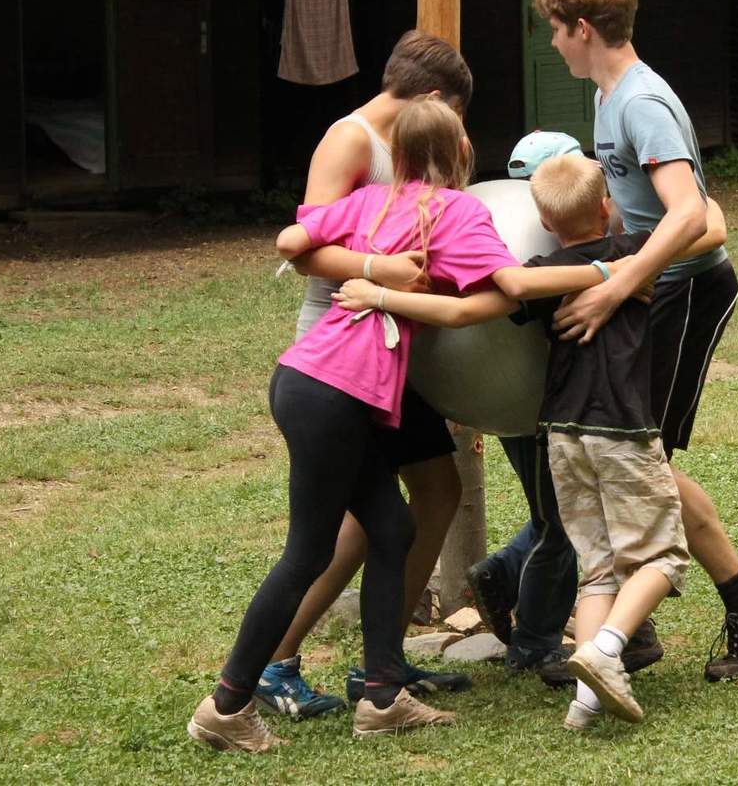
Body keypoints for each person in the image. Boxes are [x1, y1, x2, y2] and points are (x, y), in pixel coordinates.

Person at [187, 98, 627, 752]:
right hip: (333, 391)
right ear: (461, 153)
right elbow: (511, 283)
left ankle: (382, 698)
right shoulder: (456, 211)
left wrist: (371, 270)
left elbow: (291, 242)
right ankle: (225, 706)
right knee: (307, 552)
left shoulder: (369, 201)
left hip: (308, 379)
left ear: (398, 155)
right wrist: (611, 269)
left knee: (392, 528)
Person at [333, 151, 725, 730]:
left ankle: (585, 701)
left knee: (597, 569)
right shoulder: (633, 252)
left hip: (561, 433)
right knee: (663, 556)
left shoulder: (538, 270)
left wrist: (382, 295)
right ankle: (607, 646)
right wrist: (631, 263)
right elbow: (707, 222)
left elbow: (463, 309)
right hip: (622, 429)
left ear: (541, 220)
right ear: (607, 207)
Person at [532, 0, 738, 683]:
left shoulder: (642, 103)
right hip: (654, 290)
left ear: (583, 28)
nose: (552, 42)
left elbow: (691, 215)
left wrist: (615, 286)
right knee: (633, 457)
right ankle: (639, 627)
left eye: (555, 29)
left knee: (639, 458)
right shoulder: (609, 96)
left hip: (684, 293)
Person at [253, 31, 480, 719]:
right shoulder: (349, 140)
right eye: (456, 115)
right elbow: (303, 251)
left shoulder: (406, 147)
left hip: (393, 350)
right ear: (434, 98)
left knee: (436, 490)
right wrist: (382, 273)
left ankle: (384, 663)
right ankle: (276, 663)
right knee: (356, 523)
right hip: (343, 350)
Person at [465, 130, 661, 682]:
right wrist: (617, 275)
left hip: (527, 405)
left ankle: (507, 571)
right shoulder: (615, 254)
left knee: (558, 515)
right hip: (555, 411)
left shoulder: (536, 260)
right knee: (560, 524)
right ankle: (535, 643)